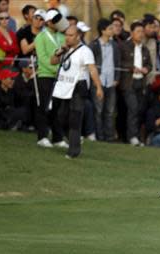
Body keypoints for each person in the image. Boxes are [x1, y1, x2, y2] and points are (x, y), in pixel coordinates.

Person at [51, 25, 104, 159]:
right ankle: (72, 138)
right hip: (64, 87)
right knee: (61, 116)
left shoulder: (85, 51)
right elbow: (52, 61)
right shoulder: (64, 49)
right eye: (66, 35)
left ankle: (73, 151)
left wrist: (98, 87)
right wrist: (59, 52)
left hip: (78, 87)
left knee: (75, 118)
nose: (67, 38)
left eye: (71, 35)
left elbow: (92, 69)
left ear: (78, 36)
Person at [34, 8, 67, 148]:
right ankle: (42, 137)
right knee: (44, 107)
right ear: (48, 22)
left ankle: (57, 138)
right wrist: (57, 69)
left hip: (59, 77)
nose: (58, 23)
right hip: (45, 76)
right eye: (55, 21)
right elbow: (42, 59)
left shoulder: (61, 36)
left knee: (57, 108)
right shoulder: (40, 37)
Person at [119, 21, 152, 146]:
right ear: (132, 33)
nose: (141, 34)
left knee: (138, 110)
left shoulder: (145, 48)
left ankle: (136, 136)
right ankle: (132, 137)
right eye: (138, 31)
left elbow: (150, 64)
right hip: (128, 83)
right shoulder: (124, 46)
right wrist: (131, 67)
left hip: (141, 82)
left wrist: (146, 69)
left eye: (142, 31)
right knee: (132, 108)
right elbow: (120, 62)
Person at [89, 18, 120, 142]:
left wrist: (117, 78)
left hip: (111, 82)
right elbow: (90, 65)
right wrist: (95, 82)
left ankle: (109, 137)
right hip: (98, 83)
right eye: (110, 28)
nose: (113, 30)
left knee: (110, 112)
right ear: (103, 30)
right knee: (98, 111)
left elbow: (117, 63)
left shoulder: (115, 45)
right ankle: (99, 136)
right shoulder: (94, 45)